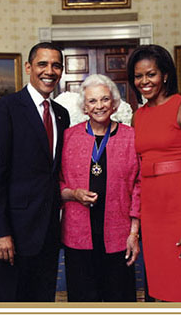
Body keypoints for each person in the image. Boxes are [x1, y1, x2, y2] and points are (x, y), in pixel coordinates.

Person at [0, 42, 70, 302]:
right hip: (13, 233)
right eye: (42, 64)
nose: (49, 71)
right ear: (29, 67)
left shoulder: (61, 114)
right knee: (11, 299)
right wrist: (0, 232)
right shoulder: (5, 108)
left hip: (49, 231)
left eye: (56, 65)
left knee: (42, 298)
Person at [127, 44, 181, 302]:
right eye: (138, 76)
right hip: (153, 209)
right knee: (160, 283)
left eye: (150, 74)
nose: (144, 81)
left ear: (165, 74)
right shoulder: (137, 116)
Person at [60, 74, 141, 302]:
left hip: (119, 233)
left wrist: (134, 233)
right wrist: (73, 194)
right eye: (92, 101)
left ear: (114, 103)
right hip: (77, 233)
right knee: (82, 298)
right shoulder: (69, 137)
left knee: (120, 297)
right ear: (84, 106)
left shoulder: (131, 137)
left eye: (105, 99)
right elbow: (54, 182)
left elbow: (139, 186)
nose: (99, 106)